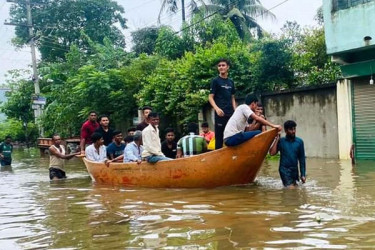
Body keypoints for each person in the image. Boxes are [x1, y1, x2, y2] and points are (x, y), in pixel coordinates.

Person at [208, 58, 237, 149]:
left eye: (223, 65)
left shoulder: (231, 82)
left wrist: (235, 110)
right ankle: (218, 160)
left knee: (232, 136)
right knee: (219, 138)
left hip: (230, 113)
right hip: (220, 114)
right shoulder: (215, 81)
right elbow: (210, 97)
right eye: (219, 66)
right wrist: (217, 109)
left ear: (227, 67)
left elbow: (232, 97)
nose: (221, 67)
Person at [269, 120, 306, 188]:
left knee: (295, 190)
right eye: (291, 129)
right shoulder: (281, 141)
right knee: (291, 189)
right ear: (286, 131)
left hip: (294, 170)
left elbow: (302, 160)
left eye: (294, 129)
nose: (293, 131)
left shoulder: (299, 142)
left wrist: (303, 174)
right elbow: (272, 153)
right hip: (284, 170)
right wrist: (276, 139)